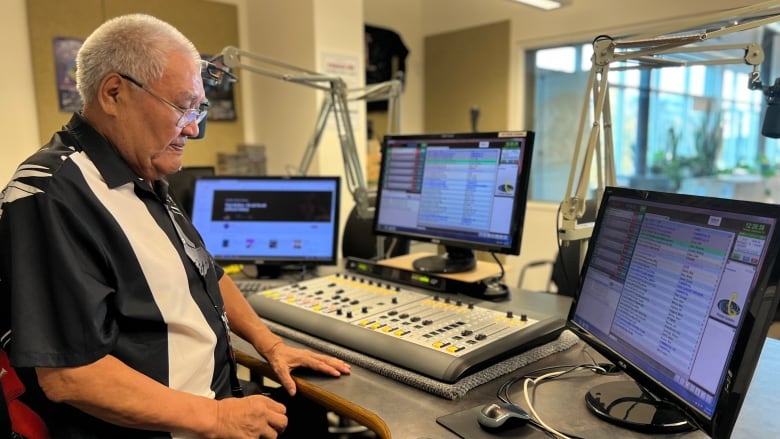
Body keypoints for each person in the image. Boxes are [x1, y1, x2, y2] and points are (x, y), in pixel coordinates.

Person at [0, 13, 351, 438]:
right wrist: (220, 419)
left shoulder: (141, 172)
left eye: (199, 108)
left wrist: (271, 344)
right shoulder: (51, 193)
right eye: (183, 106)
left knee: (310, 414)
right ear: (114, 93)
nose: (195, 127)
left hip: (214, 401)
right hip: (169, 427)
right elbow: (72, 375)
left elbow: (206, 274)